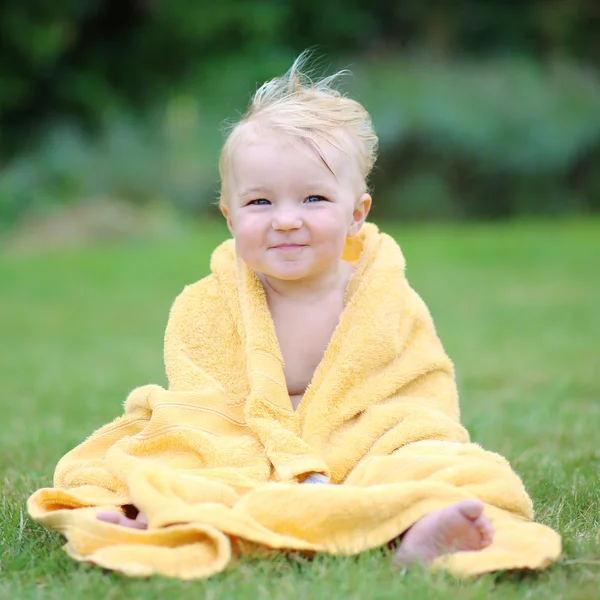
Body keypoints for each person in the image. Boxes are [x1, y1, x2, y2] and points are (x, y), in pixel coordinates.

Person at [28, 53, 560, 579]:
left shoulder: (380, 297)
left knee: (436, 462)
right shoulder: (209, 302)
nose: (286, 221)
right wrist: (230, 445)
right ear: (229, 216)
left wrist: (395, 438)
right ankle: (155, 512)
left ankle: (418, 525)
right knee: (157, 457)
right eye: (260, 203)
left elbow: (415, 392)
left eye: (312, 198)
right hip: (247, 442)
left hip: (359, 443)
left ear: (356, 214)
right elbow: (201, 398)